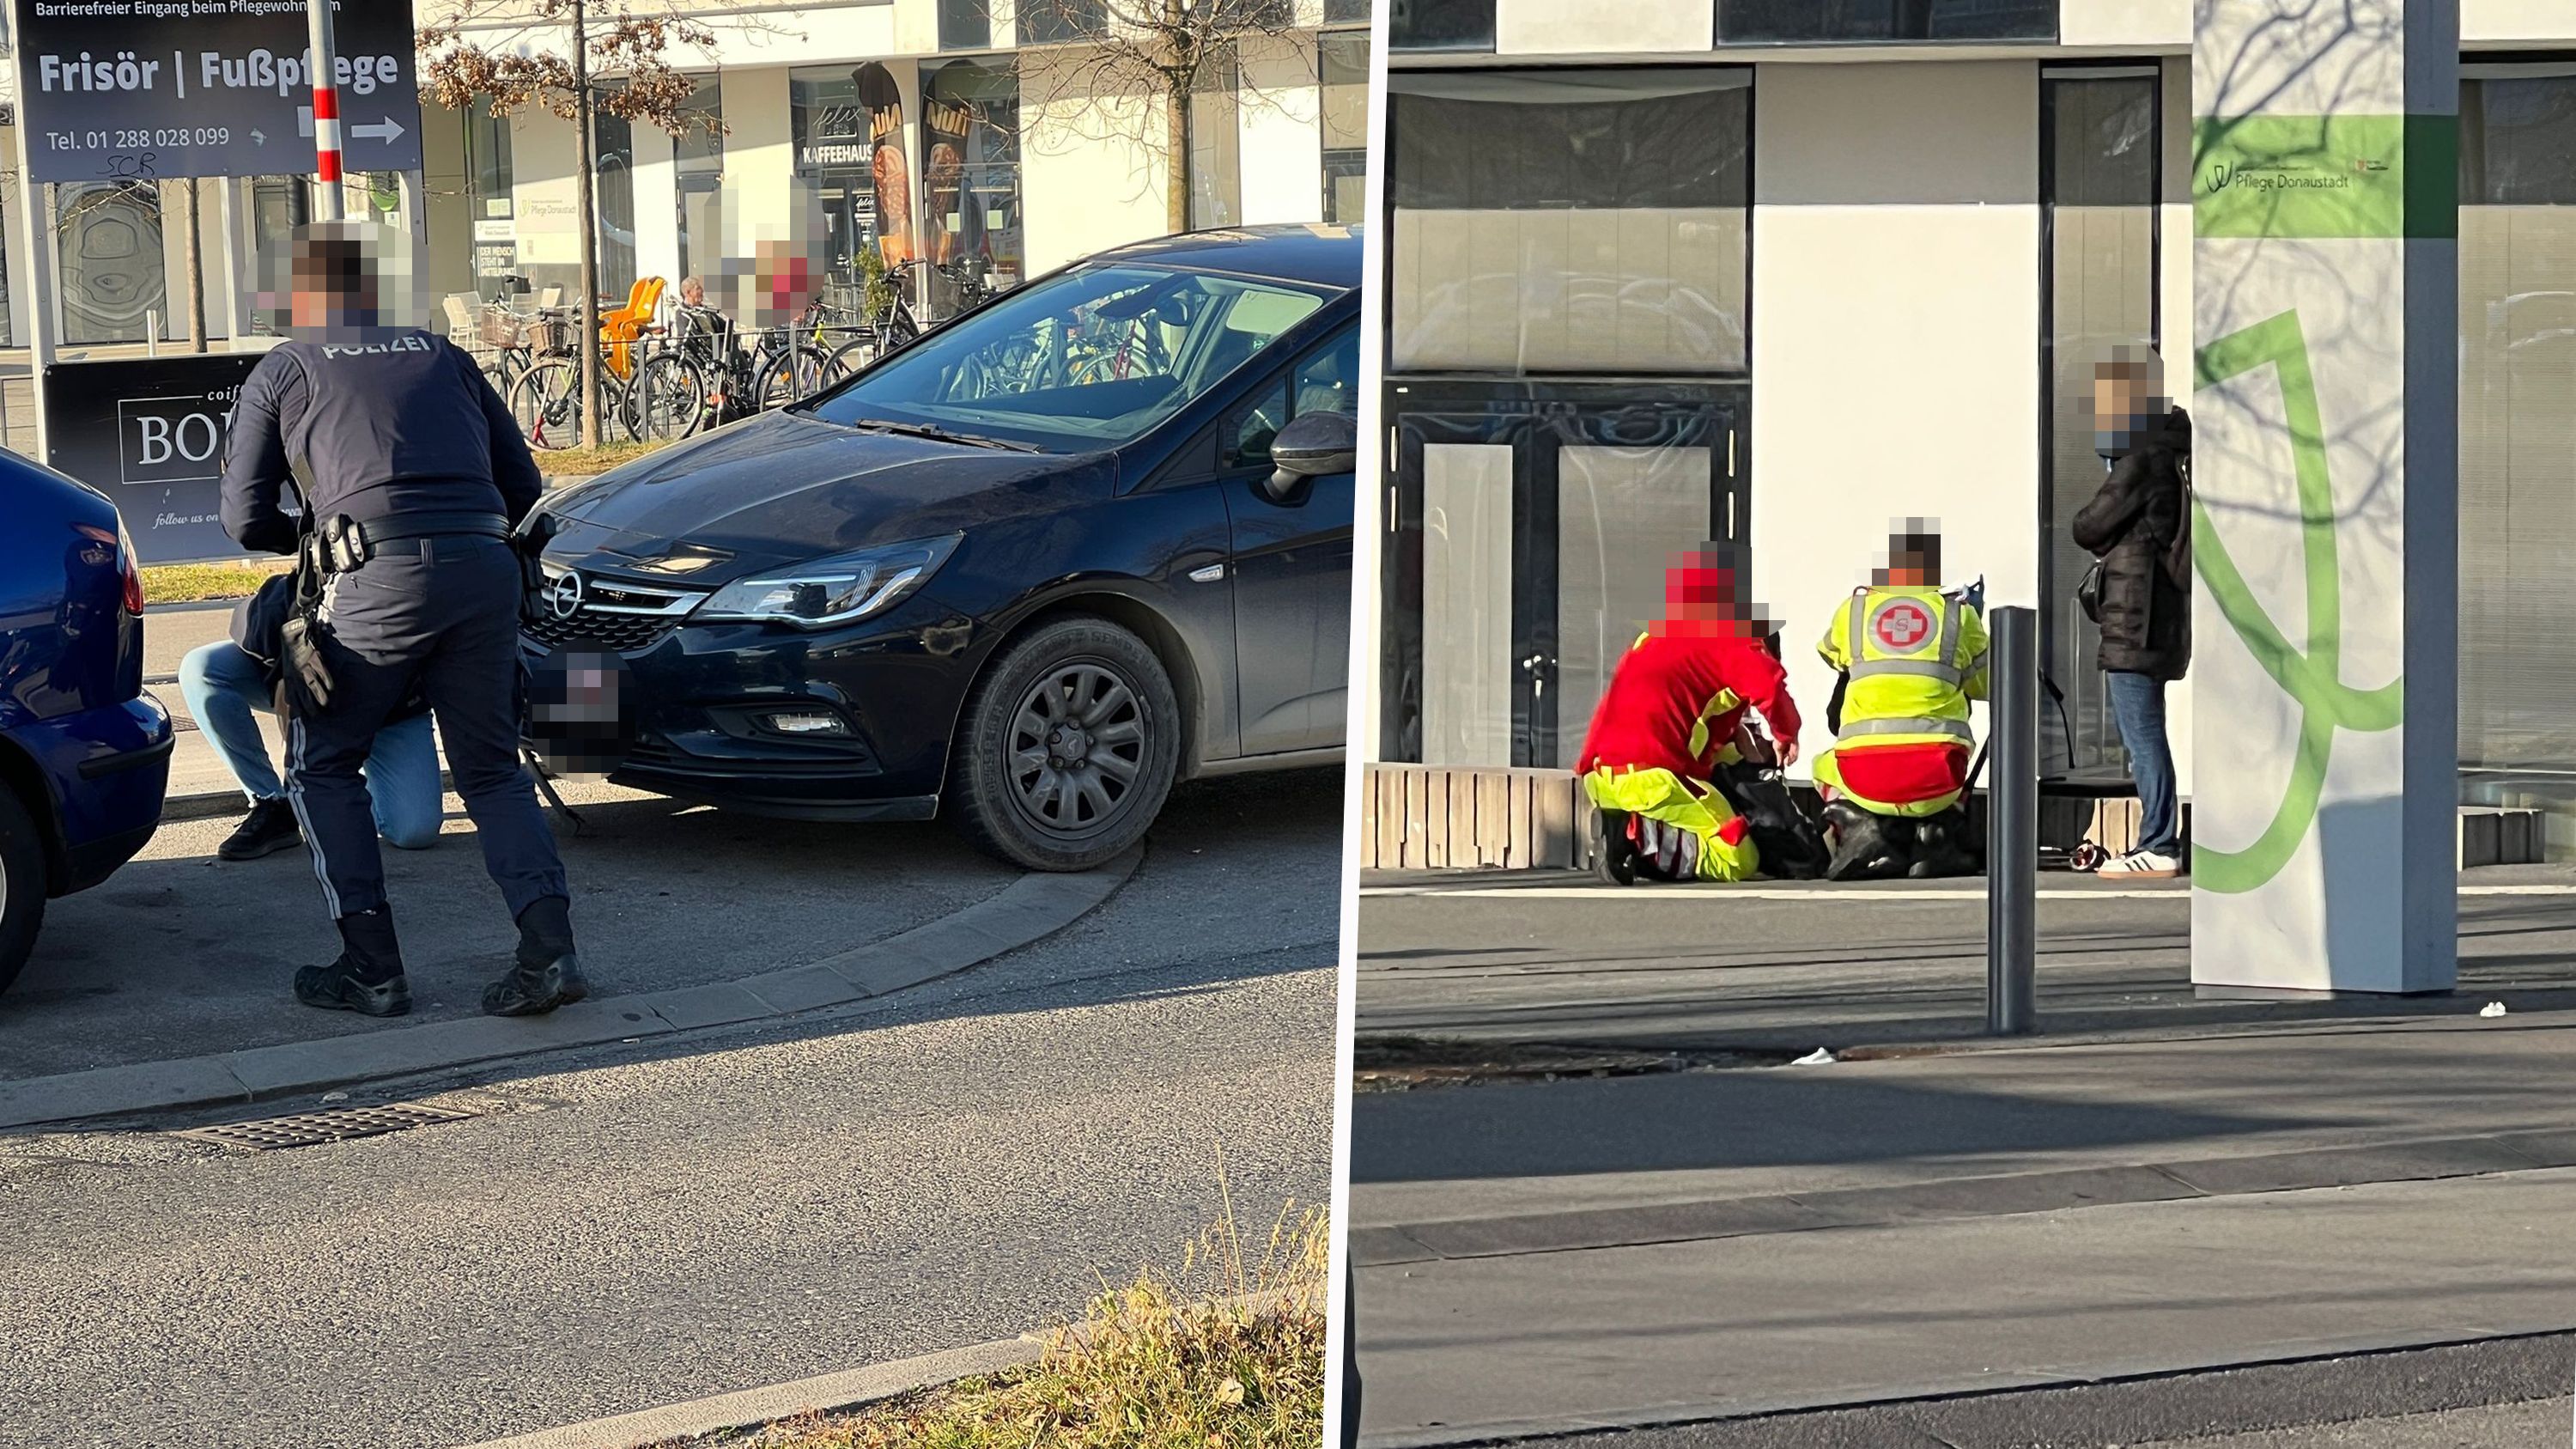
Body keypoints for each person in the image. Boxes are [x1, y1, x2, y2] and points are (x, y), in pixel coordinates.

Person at [220, 220, 586, 1020]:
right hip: (486, 570)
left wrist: (313, 540)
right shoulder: (443, 356)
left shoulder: (285, 370)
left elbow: (245, 517)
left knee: (321, 765)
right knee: (491, 770)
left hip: (371, 579)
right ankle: (549, 950)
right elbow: (525, 489)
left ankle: (372, 966)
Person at [1575, 545, 1802, 885]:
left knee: (1695, 824)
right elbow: (1769, 687)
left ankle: (1634, 839)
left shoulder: (1652, 638)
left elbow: (1673, 721)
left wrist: (1740, 741)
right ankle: (1639, 837)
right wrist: (1787, 735)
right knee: (1737, 858)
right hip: (1652, 782)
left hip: (1601, 780)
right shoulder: (1736, 637)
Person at [2072, 344, 2192, 880]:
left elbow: (2087, 525)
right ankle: (2159, 839)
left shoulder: (2141, 459)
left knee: (2143, 737)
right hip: (2152, 617)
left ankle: (2160, 842)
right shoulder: (2166, 453)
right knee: (2144, 733)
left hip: (2134, 620)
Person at [1812, 523, 1989, 880]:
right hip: (1939, 778)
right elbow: (1987, 687)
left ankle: (1868, 831)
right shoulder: (1958, 613)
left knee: (1822, 765)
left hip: (1863, 775)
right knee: (1950, 750)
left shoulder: (1854, 610)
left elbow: (1830, 654)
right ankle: (1934, 836)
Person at [179, 628, 442, 861]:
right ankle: (273, 803)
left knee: (414, 832)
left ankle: (344, 791)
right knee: (203, 668)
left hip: (391, 708)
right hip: (315, 680)